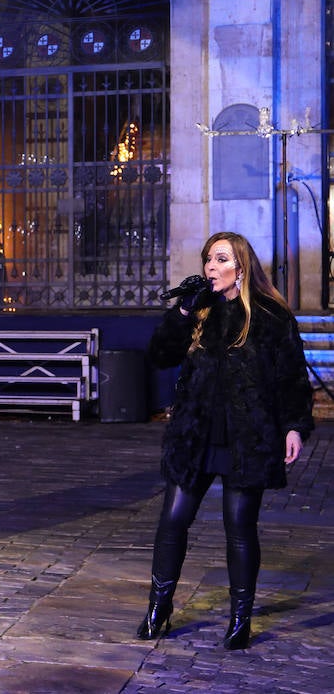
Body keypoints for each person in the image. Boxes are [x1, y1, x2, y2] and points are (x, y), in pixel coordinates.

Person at [138, 231, 314, 649]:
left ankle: (240, 619)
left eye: (220, 260)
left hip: (246, 438)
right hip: (196, 435)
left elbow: (292, 378)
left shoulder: (271, 317)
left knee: (239, 528)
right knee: (173, 522)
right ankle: (157, 610)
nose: (210, 268)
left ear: (241, 268)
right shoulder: (200, 312)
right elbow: (160, 355)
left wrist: (294, 426)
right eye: (208, 260)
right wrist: (182, 311)